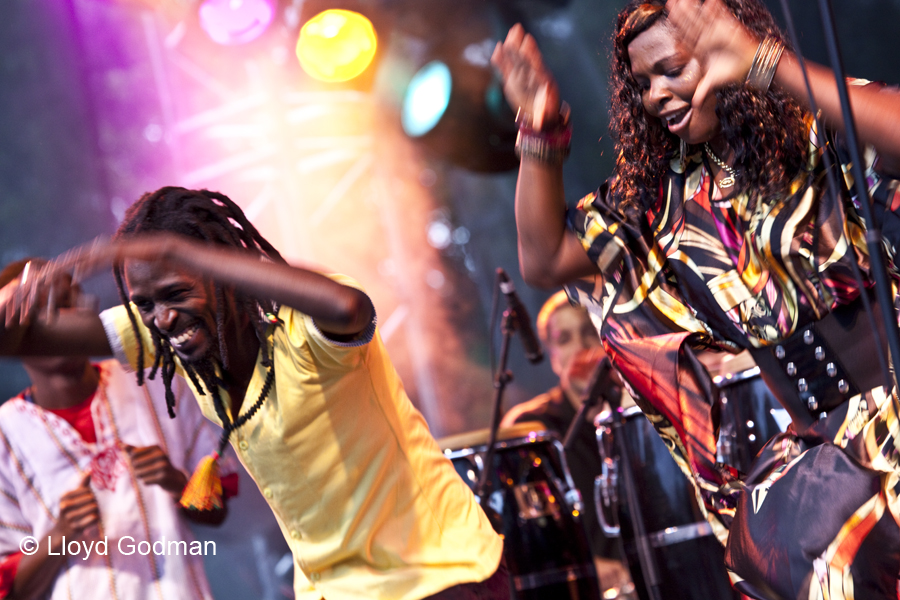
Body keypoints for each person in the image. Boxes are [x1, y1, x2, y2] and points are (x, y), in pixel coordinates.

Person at [492, 0, 900, 598]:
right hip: (824, 446)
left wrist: (767, 64)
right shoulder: (669, 200)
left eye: (673, 69)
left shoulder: (815, 125)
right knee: (766, 554)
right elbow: (544, 258)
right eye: (643, 83)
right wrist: (539, 131)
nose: (657, 94)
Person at [0, 187, 507, 600]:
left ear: (222, 272)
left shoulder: (300, 323)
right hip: (335, 590)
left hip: (438, 576)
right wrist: (17, 297)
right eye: (147, 304)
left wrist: (175, 252)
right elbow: (20, 338)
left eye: (176, 291)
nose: (162, 317)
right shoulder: (168, 335)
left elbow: (350, 305)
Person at [0, 259, 236, 600]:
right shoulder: (6, 432)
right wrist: (59, 535)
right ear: (11, 333)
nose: (55, 322)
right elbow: (11, 590)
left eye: (64, 305)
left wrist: (177, 484)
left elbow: (218, 510)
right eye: (37, 313)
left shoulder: (157, 379)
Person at [500, 290, 634, 596]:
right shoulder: (530, 428)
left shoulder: (638, 410)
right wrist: (585, 566)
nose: (581, 346)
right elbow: (529, 536)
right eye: (565, 339)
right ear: (553, 358)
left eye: (590, 333)